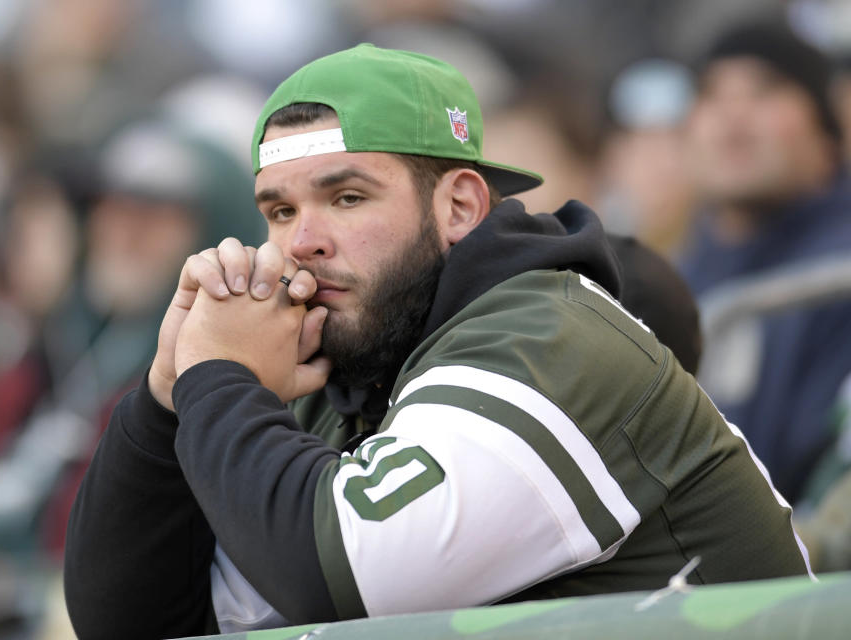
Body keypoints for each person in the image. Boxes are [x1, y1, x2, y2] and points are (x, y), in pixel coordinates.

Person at [65, 44, 812, 639]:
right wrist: (167, 396)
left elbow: (345, 575)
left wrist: (221, 378)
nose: (305, 243)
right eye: (281, 210)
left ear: (458, 206)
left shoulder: (547, 335)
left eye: (347, 197)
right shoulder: (347, 358)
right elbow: (133, 620)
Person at [679, 23, 851, 503]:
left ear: (827, 134)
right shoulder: (669, 274)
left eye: (764, 91)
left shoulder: (841, 276)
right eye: (711, 94)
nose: (733, 118)